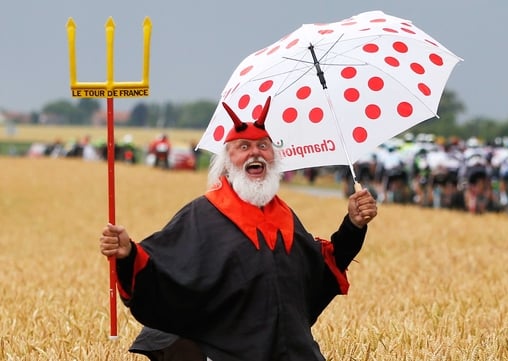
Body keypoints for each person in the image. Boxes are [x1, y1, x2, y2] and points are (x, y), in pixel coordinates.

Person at [99, 96, 378, 361]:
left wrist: (353, 225)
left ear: (274, 156)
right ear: (227, 159)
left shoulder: (285, 217)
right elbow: (160, 269)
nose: (254, 152)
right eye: (243, 146)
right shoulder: (202, 214)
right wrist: (128, 255)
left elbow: (322, 268)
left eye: (263, 146)